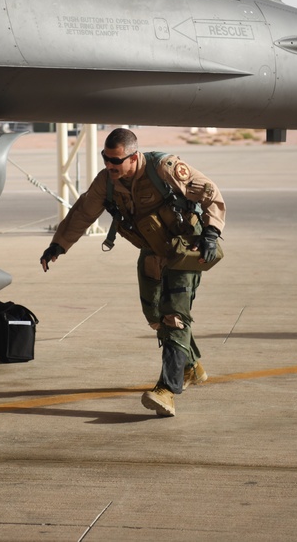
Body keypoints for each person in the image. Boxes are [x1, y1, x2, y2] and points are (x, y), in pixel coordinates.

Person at [40, 127, 225, 417]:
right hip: (152, 252)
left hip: (183, 250)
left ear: (134, 156)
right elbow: (83, 213)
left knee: (174, 317)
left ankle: (167, 390)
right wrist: (58, 246)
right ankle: (190, 366)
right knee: (154, 315)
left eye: (116, 160)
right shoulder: (107, 182)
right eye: (106, 159)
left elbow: (210, 193)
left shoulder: (165, 168)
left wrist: (212, 234)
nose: (110, 166)